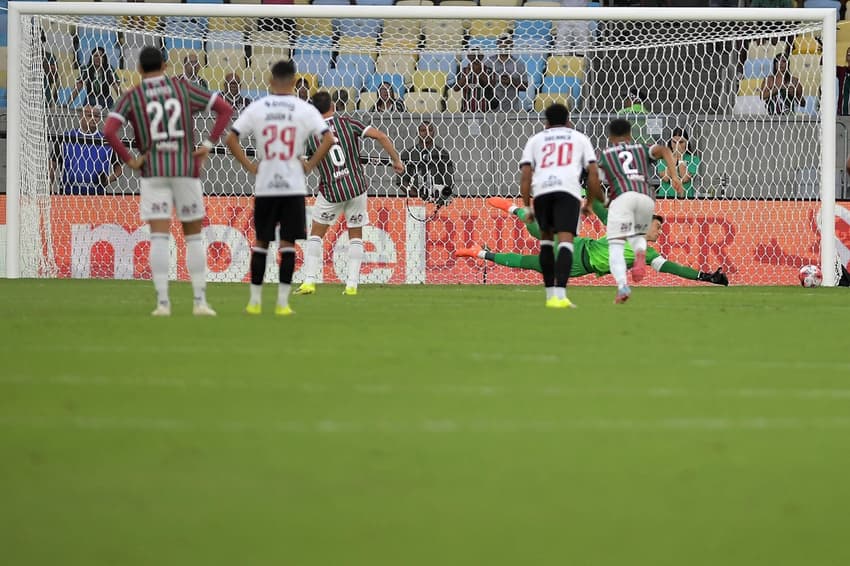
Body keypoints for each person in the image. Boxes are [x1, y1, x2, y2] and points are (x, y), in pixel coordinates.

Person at [104, 46, 234, 316]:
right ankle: (199, 302)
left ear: (139, 70)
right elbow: (224, 109)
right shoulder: (183, 88)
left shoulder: (133, 95)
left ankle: (163, 303)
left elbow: (109, 130)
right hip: (185, 168)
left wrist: (130, 160)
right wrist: (208, 144)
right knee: (194, 238)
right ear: (165, 65)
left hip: (153, 171)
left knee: (160, 237)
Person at [225, 60, 334, 316]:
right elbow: (328, 138)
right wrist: (308, 166)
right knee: (288, 244)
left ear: (270, 81)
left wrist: (251, 167)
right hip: (293, 185)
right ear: (295, 81)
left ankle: (254, 302)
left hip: (265, 185)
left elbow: (231, 137)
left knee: (261, 242)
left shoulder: (258, 107)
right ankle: (283, 304)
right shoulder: (303, 109)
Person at [456, 197, 729, 286]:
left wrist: (705, 276)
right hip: (580, 247)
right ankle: (515, 209)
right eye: (657, 226)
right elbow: (599, 209)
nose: (659, 232)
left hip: (579, 267)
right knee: (540, 234)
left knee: (533, 264)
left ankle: (480, 253)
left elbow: (671, 268)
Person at [295, 91, 404, 296]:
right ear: (333, 105)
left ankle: (309, 281)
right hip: (356, 188)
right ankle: (352, 285)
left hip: (331, 191)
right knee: (356, 235)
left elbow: (302, 164)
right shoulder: (348, 123)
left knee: (316, 235)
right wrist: (396, 160)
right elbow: (381, 136)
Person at [518, 103, 603, 308]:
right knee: (565, 242)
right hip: (568, 191)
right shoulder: (579, 138)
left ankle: (549, 297)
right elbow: (593, 173)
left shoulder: (535, 140)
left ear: (546, 122)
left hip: (543, 191)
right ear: (568, 120)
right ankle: (561, 295)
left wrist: (527, 206)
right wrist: (590, 202)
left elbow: (526, 175)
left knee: (546, 242)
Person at [597, 118, 683, 304]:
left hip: (623, 198)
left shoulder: (606, 154)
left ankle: (622, 286)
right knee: (638, 236)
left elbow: (594, 180)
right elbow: (664, 150)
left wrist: (598, 201)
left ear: (611, 137)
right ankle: (640, 252)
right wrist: (674, 176)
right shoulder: (641, 149)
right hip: (645, 197)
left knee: (616, 246)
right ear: (630, 135)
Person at [51, 105, 123, 195]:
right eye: (89, 115)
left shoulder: (107, 141)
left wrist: (107, 180)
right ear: (81, 116)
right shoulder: (66, 138)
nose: (93, 118)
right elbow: (52, 164)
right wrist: (50, 188)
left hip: (97, 196)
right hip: (69, 195)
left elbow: (118, 169)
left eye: (96, 116)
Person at [397, 121, 455, 205]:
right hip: (414, 202)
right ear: (417, 133)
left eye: (430, 130)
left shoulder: (442, 154)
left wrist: (440, 196)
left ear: (434, 132)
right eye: (423, 130)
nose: (427, 133)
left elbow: (449, 180)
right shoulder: (408, 154)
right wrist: (417, 197)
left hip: (437, 200)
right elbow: (402, 181)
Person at [484, 33, 527, 111]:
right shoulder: (488, 62)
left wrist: (511, 81)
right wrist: (495, 80)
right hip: (491, 109)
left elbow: (525, 87)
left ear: (512, 45)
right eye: (501, 42)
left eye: (507, 42)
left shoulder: (519, 64)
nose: (504, 45)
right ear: (497, 44)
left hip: (511, 110)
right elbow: (482, 83)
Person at [657, 127, 699, 199]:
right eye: (674, 142)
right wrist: (673, 158)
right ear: (670, 142)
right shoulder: (663, 158)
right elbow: (666, 178)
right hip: (665, 198)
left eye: (681, 142)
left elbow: (685, 179)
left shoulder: (694, 159)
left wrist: (680, 157)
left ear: (686, 143)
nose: (677, 145)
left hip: (685, 198)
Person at [453, 48, 494, 112]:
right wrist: (467, 74)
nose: (475, 57)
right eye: (473, 55)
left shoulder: (489, 70)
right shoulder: (464, 71)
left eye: (478, 55)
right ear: (468, 57)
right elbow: (456, 88)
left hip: (485, 111)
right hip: (467, 111)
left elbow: (492, 86)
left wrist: (479, 73)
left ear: (482, 56)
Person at [836, 46, 850, 116]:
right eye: (849, 54)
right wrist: (824, 51)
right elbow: (825, 66)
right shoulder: (841, 70)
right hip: (842, 114)